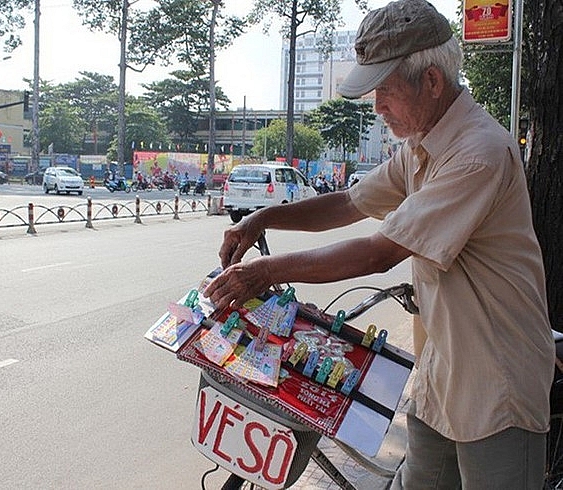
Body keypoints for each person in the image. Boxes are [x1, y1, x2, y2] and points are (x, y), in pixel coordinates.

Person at [203, 0, 555, 487]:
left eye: (385, 91)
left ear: (431, 81)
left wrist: (263, 272)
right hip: (443, 370)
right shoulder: (420, 146)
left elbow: (378, 252)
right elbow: (349, 203)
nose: (377, 106)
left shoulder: (478, 153)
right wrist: (262, 218)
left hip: (497, 380)